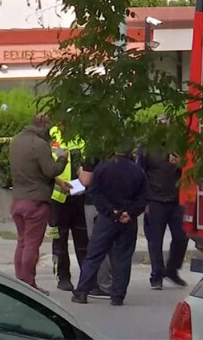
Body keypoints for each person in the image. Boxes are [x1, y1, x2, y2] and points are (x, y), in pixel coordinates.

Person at [72, 142, 148, 306]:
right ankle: (118, 296)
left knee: (94, 254)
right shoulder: (137, 171)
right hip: (128, 220)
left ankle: (82, 291)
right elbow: (143, 198)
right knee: (123, 257)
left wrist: (110, 211)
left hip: (107, 219)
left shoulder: (104, 168)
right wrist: (130, 213)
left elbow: (94, 192)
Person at [9, 114, 70, 294]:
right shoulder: (39, 144)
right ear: (43, 125)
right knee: (31, 245)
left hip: (18, 199)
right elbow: (50, 170)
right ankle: (28, 284)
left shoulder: (16, 141)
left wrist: (58, 182)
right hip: (36, 201)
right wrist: (63, 158)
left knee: (22, 242)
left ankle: (20, 281)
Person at [137, 120, 189, 289]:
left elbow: (189, 171)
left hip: (175, 199)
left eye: (168, 121)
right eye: (161, 121)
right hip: (155, 199)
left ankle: (172, 269)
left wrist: (182, 164)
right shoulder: (147, 146)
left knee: (182, 236)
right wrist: (144, 202)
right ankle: (156, 275)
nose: (165, 124)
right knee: (155, 240)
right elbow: (140, 173)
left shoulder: (179, 145)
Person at [49, 126, 88, 292]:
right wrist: (59, 182)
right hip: (57, 199)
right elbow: (45, 166)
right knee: (58, 238)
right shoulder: (51, 134)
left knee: (83, 240)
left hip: (79, 196)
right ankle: (62, 276)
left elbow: (87, 162)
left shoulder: (81, 135)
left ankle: (87, 278)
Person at [80, 158, 113, 299]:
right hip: (116, 205)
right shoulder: (120, 153)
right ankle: (114, 284)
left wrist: (80, 171)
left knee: (97, 246)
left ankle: (103, 284)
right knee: (115, 246)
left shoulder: (93, 152)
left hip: (95, 205)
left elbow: (86, 180)